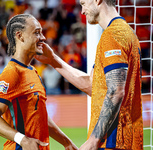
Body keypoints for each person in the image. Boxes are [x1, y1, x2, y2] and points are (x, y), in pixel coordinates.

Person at [35, 0, 143, 149]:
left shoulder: (113, 35)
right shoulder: (123, 32)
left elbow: (116, 91)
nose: (82, 11)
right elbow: (94, 86)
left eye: (84, 3)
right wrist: (53, 60)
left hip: (113, 142)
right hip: (123, 139)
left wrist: (94, 140)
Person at [0, 14, 78, 150]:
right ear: (20, 36)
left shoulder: (33, 72)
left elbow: (41, 118)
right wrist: (23, 140)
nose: (43, 38)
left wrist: (67, 143)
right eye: (37, 33)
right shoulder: (12, 73)